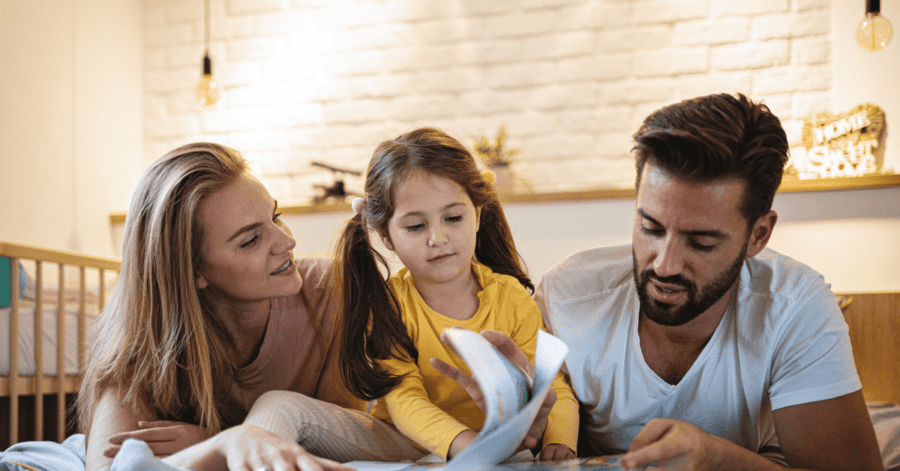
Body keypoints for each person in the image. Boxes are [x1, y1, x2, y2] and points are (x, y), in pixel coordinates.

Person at [532, 93, 884, 470]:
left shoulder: (794, 307)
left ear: (758, 235)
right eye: (650, 228)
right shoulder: (567, 297)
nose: (664, 265)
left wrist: (716, 458)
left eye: (700, 242)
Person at [76, 142, 368, 471]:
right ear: (192, 270)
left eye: (276, 217)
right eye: (250, 240)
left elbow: (339, 443)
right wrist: (223, 444)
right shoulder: (137, 340)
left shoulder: (329, 290)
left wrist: (216, 440)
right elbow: (108, 466)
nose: (287, 242)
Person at [335, 126, 579, 461]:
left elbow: (552, 387)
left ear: (478, 215)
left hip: (502, 451)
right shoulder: (390, 305)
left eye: (453, 218)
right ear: (386, 236)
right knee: (282, 408)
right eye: (416, 226)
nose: (438, 238)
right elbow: (405, 400)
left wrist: (559, 443)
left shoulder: (511, 299)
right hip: (410, 449)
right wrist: (468, 446)